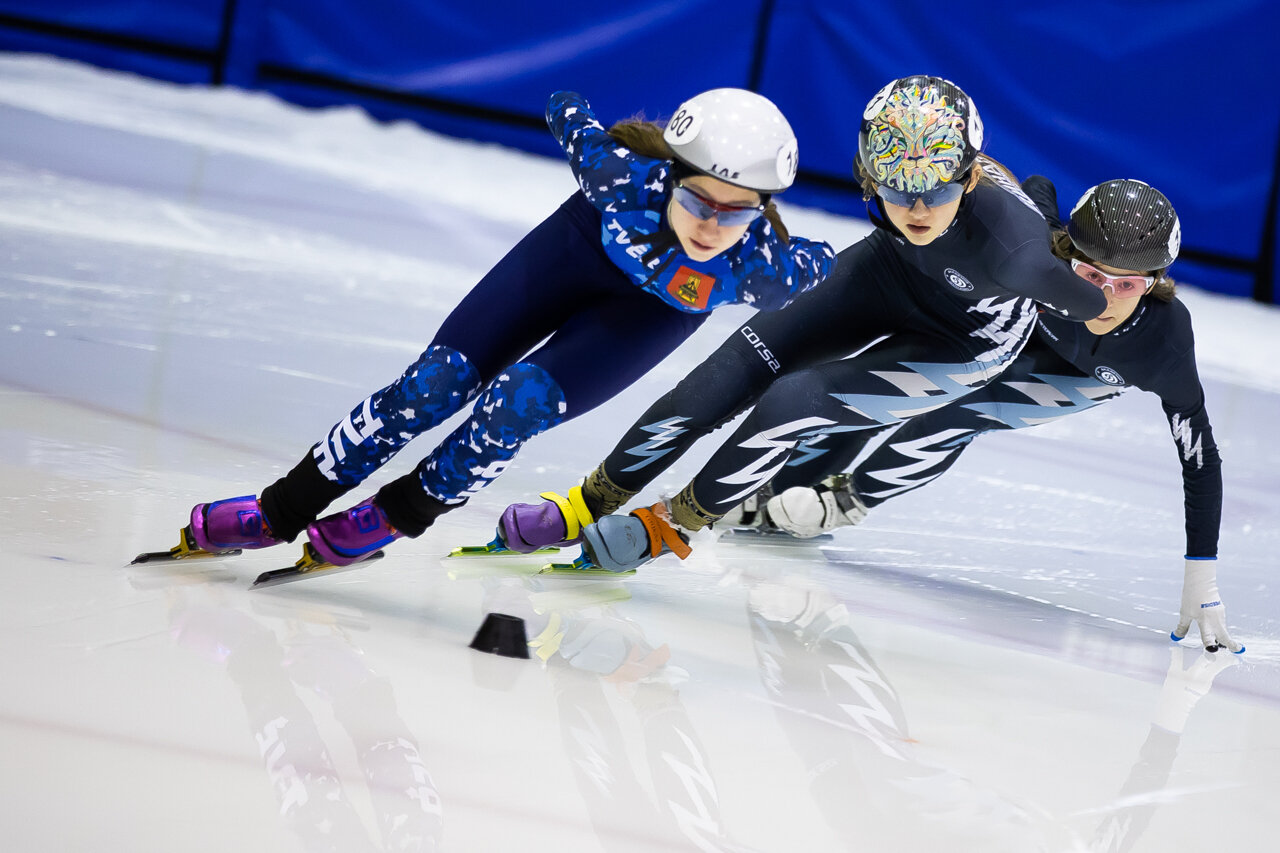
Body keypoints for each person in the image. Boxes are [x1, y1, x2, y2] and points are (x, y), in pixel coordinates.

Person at [156, 87, 836, 571]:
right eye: (696, 199)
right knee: (432, 386)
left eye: (738, 211)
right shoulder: (618, 180)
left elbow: (831, 265)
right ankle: (282, 507)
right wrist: (597, 123)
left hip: (646, 316)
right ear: (670, 177)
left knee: (518, 406)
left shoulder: (763, 270)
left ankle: (394, 515)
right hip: (575, 255)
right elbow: (564, 107)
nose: (713, 224)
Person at [497, 76, 1107, 565]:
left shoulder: (1019, 254)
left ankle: (671, 526)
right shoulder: (915, 189)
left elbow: (1098, 306)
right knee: (724, 376)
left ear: (971, 177)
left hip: (965, 345)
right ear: (869, 173)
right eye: (897, 190)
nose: (917, 209)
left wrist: (1059, 250)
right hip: (886, 275)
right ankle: (590, 500)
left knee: (792, 400)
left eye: (937, 191)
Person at [738, 177, 1243, 654]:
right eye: (1090, 276)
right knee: (899, 381)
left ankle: (848, 500)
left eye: (1128, 286)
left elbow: (1200, 460)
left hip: (1078, 376)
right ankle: (786, 478)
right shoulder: (1043, 248)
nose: (1103, 298)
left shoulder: (1166, 345)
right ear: (1067, 254)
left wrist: (1203, 575)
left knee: (967, 410)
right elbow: (1037, 188)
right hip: (1023, 331)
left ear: (1155, 283)